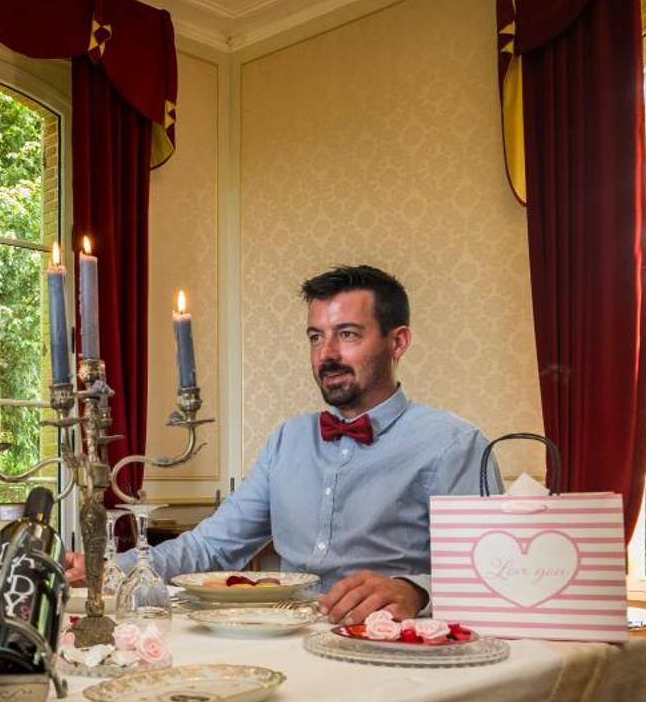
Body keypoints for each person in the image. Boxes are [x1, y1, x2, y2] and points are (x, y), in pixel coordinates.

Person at [69, 264, 492, 624]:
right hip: (283, 642)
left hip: (395, 652)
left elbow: (491, 576)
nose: (326, 354)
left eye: (347, 334)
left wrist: (416, 593)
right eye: (315, 337)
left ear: (398, 342)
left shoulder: (454, 445)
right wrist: (108, 569)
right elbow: (211, 546)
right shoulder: (288, 439)